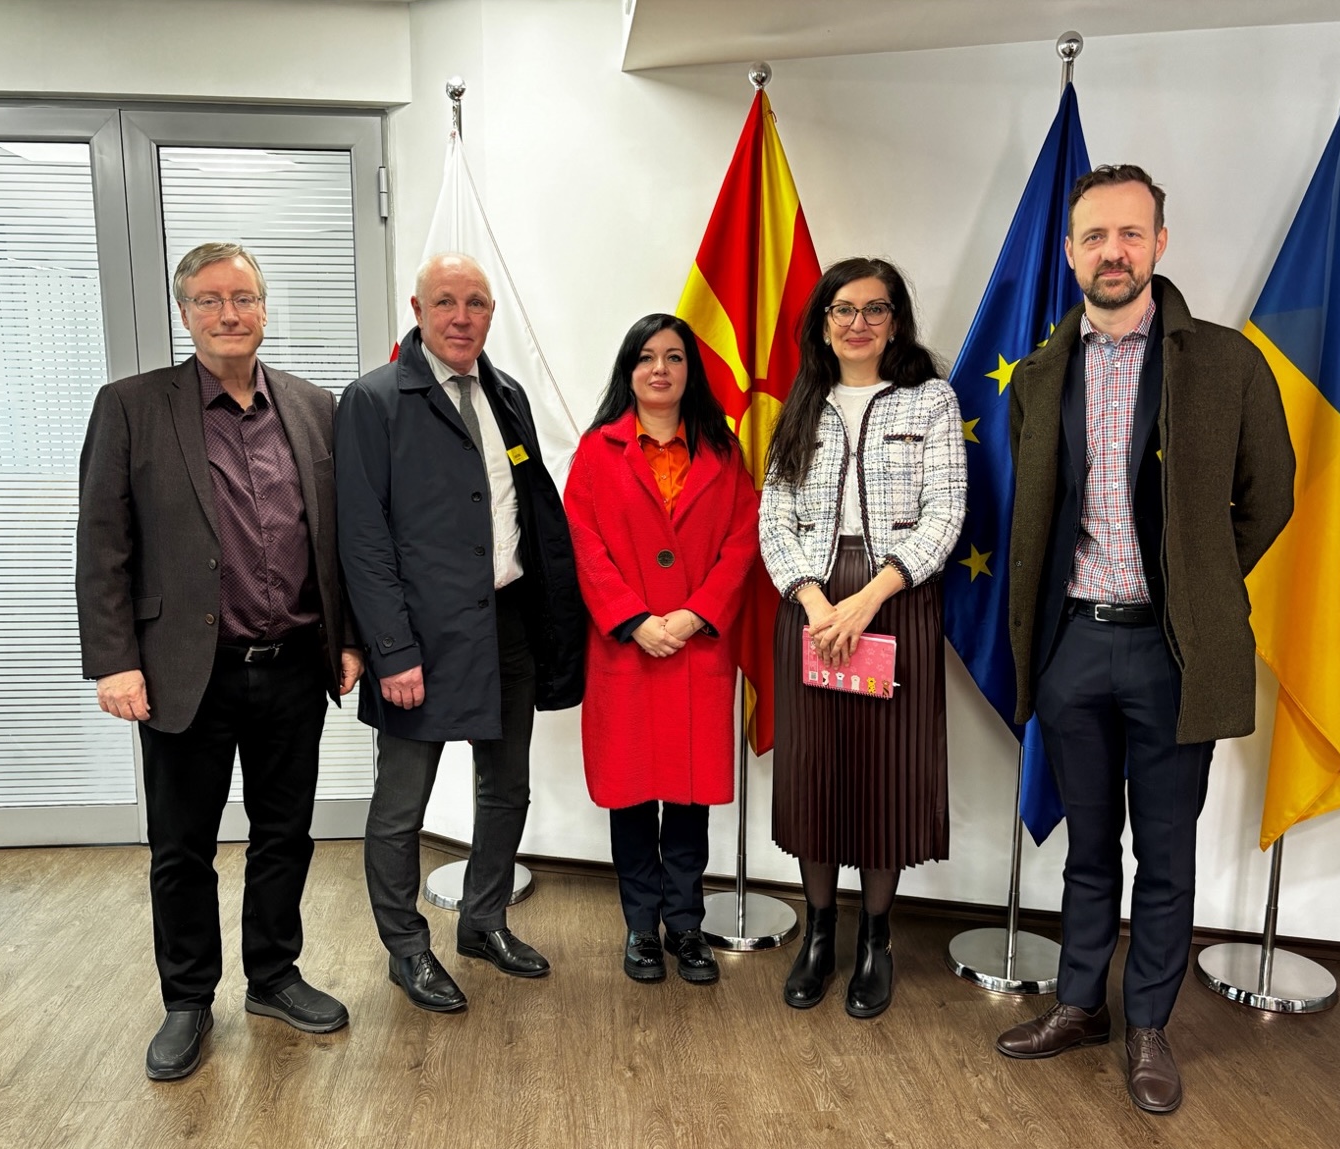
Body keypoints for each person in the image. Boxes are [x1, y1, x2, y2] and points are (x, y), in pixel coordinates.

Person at [997, 165, 1294, 1113]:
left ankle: (1150, 1025)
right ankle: (1081, 1002)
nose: (1112, 251)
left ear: (1159, 243)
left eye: (1130, 233)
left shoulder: (1224, 361)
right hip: (1075, 643)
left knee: (1164, 853)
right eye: (1094, 236)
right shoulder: (1043, 373)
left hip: (1174, 651)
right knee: (1090, 846)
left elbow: (1270, 498)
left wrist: (1197, 586)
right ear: (1073, 251)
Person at [76, 242, 364, 1081]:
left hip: (293, 668)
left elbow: (337, 539)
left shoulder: (313, 408)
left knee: (285, 834)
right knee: (182, 846)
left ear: (265, 309)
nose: (228, 313)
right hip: (178, 671)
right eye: (209, 301)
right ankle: (188, 998)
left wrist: (345, 637)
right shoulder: (131, 406)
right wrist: (114, 661)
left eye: (242, 297)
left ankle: (273, 976)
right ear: (185, 313)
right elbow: (103, 543)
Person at [335, 253, 585, 1014]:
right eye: (445, 301)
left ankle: (483, 921)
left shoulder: (505, 393)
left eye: (476, 302)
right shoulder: (374, 399)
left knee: (506, 786)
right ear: (417, 308)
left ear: (490, 313)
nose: (460, 316)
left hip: (505, 624)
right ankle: (406, 949)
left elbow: (526, 510)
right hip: (420, 638)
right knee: (401, 805)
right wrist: (392, 651)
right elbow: (362, 539)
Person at [759, 257, 967, 1018]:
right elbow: (772, 516)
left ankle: (876, 939)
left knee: (887, 777)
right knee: (817, 775)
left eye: (875, 309)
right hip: (810, 604)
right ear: (823, 322)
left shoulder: (931, 401)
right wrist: (816, 602)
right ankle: (820, 934)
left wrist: (871, 596)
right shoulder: (801, 403)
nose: (858, 323)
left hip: (897, 601)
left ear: (896, 320)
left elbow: (947, 513)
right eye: (842, 309)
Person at [563, 314, 759, 985]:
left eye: (674, 357)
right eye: (646, 357)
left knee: (689, 798)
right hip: (627, 652)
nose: (660, 369)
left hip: (698, 651)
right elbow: (583, 547)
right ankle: (641, 928)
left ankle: (687, 925)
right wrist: (633, 618)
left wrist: (696, 613)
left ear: (689, 371)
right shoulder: (595, 452)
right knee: (632, 795)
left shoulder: (724, 451)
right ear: (629, 369)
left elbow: (742, 542)